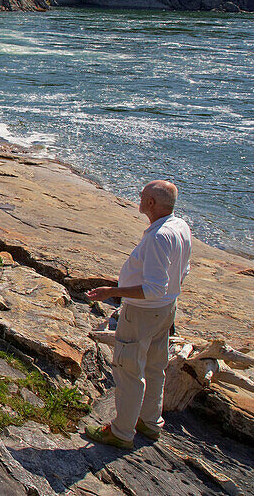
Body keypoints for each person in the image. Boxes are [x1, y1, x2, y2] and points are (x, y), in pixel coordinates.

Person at [82, 180, 192, 449]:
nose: (139, 199)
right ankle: (150, 423)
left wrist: (112, 291)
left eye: (142, 196)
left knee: (129, 371)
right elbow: (183, 271)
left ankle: (121, 433)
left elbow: (153, 288)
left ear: (151, 203)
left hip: (143, 313)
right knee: (155, 367)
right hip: (166, 311)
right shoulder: (181, 226)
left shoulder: (158, 237)